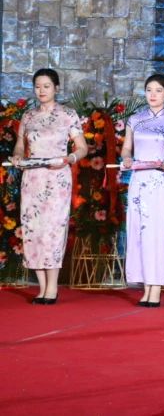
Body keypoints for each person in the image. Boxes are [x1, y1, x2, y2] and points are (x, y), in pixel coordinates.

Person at [11, 68, 88, 304]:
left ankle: (52, 287)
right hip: (32, 178)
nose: (41, 90)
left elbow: (82, 148)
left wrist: (70, 158)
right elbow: (20, 145)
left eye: (46, 86)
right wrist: (17, 155)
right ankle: (42, 287)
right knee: (33, 228)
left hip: (57, 178)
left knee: (53, 229)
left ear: (56, 88)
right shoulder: (28, 116)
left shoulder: (68, 114)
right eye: (37, 86)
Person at [121, 74, 164, 308]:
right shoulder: (135, 120)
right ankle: (145, 286)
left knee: (158, 232)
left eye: (158, 90)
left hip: (162, 181)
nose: (153, 94)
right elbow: (126, 149)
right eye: (149, 90)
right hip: (139, 181)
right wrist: (127, 158)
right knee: (139, 231)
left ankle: (156, 288)